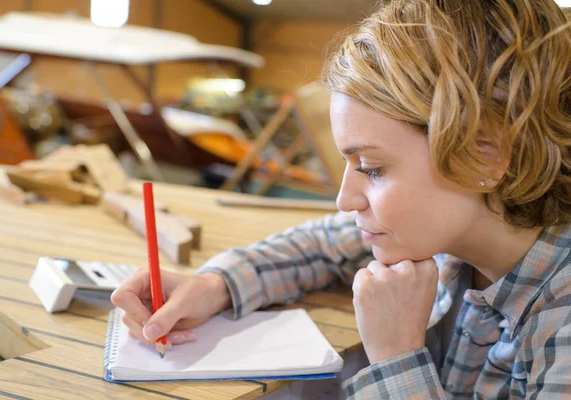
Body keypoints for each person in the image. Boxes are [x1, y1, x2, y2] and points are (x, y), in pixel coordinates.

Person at [111, 0, 571, 398]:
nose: (345, 199)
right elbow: (325, 242)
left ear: (484, 156)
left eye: (372, 169)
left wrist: (395, 355)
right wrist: (215, 286)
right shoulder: (458, 232)